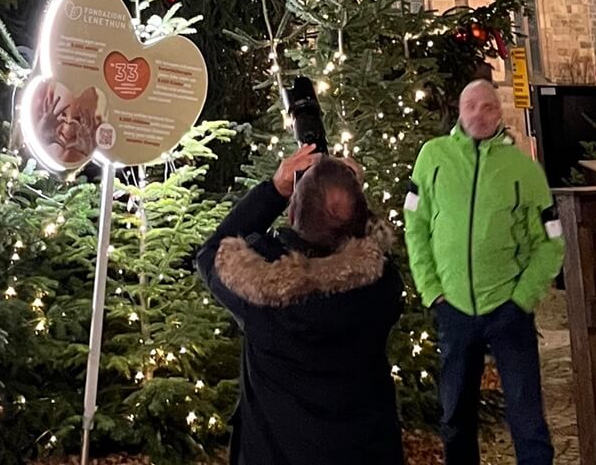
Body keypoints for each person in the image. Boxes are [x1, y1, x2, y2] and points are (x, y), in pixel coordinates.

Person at [195, 144, 403, 464]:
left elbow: (212, 251)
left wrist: (274, 190)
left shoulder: (260, 286)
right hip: (364, 451)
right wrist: (351, 195)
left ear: (291, 214)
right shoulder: (381, 283)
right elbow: (374, 247)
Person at [404, 79, 564, 465]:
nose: (478, 113)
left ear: (500, 113)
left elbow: (551, 241)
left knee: (527, 420)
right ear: (459, 110)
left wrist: (522, 298)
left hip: (508, 311)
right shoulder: (432, 157)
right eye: (471, 105)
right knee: (456, 418)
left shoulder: (524, 170)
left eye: (488, 107)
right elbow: (415, 226)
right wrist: (432, 292)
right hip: (453, 308)